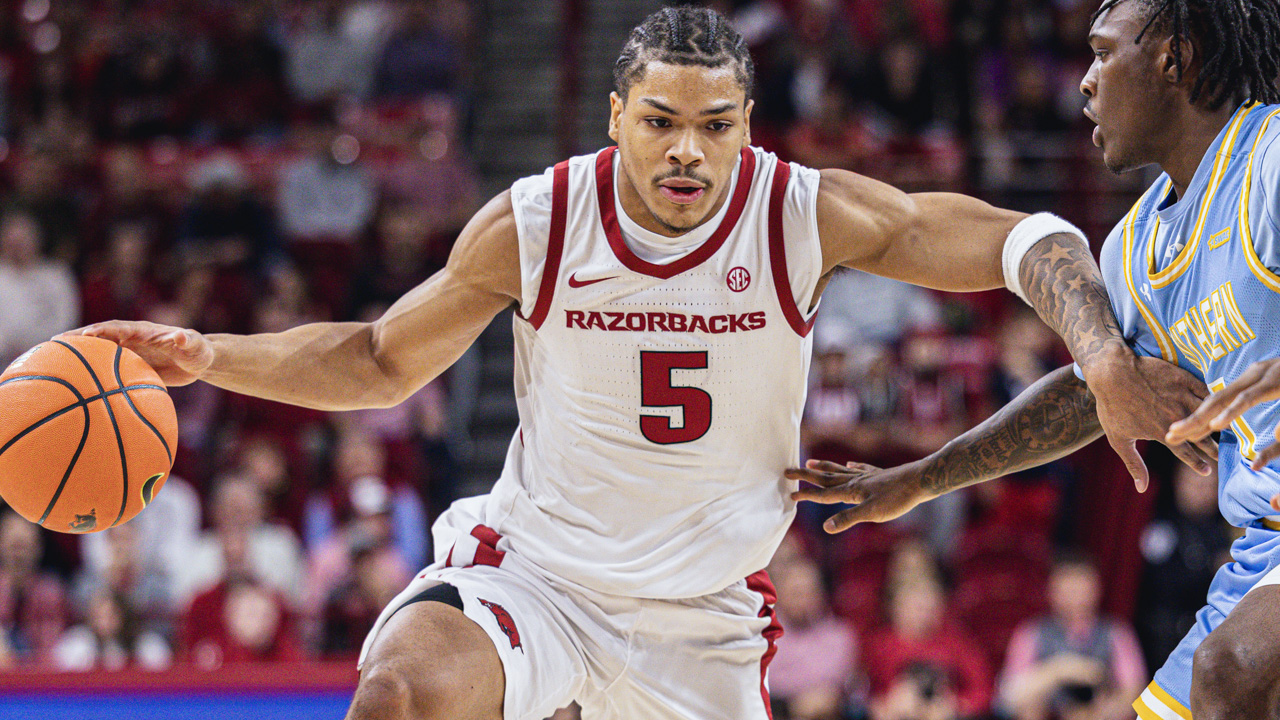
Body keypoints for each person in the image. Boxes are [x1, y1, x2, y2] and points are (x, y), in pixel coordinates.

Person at [72, 7, 1204, 719]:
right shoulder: (534, 220)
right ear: (614, 116)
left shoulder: (801, 214)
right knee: (402, 694)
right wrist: (208, 354)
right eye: (659, 120)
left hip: (703, 612)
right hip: (539, 576)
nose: (686, 150)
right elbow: (376, 359)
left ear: (748, 125)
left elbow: (1032, 242)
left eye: (715, 125)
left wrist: (1099, 351)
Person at [788, 2, 1280, 718]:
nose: (1084, 82)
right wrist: (924, 479)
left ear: (1174, 59)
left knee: (1234, 669)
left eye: (1104, 55)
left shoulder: (1267, 159)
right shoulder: (1137, 243)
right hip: (1259, 554)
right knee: (1219, 675)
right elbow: (1090, 396)